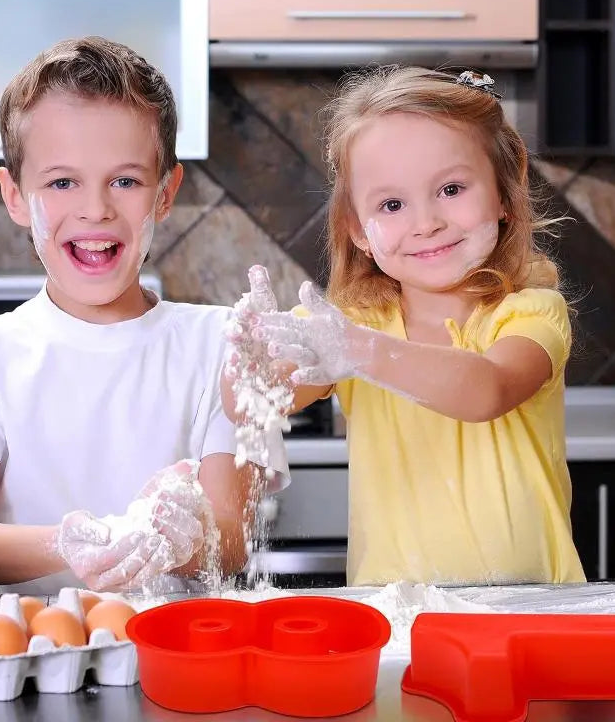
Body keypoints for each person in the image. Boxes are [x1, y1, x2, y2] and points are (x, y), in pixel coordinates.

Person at [0, 36, 287, 594]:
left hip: (180, 656)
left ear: (165, 193)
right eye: (62, 182)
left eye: (125, 180)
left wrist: (177, 539)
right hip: (30, 662)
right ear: (14, 196)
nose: (95, 208)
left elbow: (230, 538)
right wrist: (78, 542)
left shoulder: (225, 345)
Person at [227, 66, 585, 587]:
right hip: (399, 621)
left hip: (529, 613)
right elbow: (246, 402)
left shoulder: (529, 312)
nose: (425, 222)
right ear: (358, 231)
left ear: (505, 192)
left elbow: (486, 389)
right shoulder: (351, 325)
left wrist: (359, 352)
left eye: (452, 188)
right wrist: (253, 361)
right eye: (391, 204)